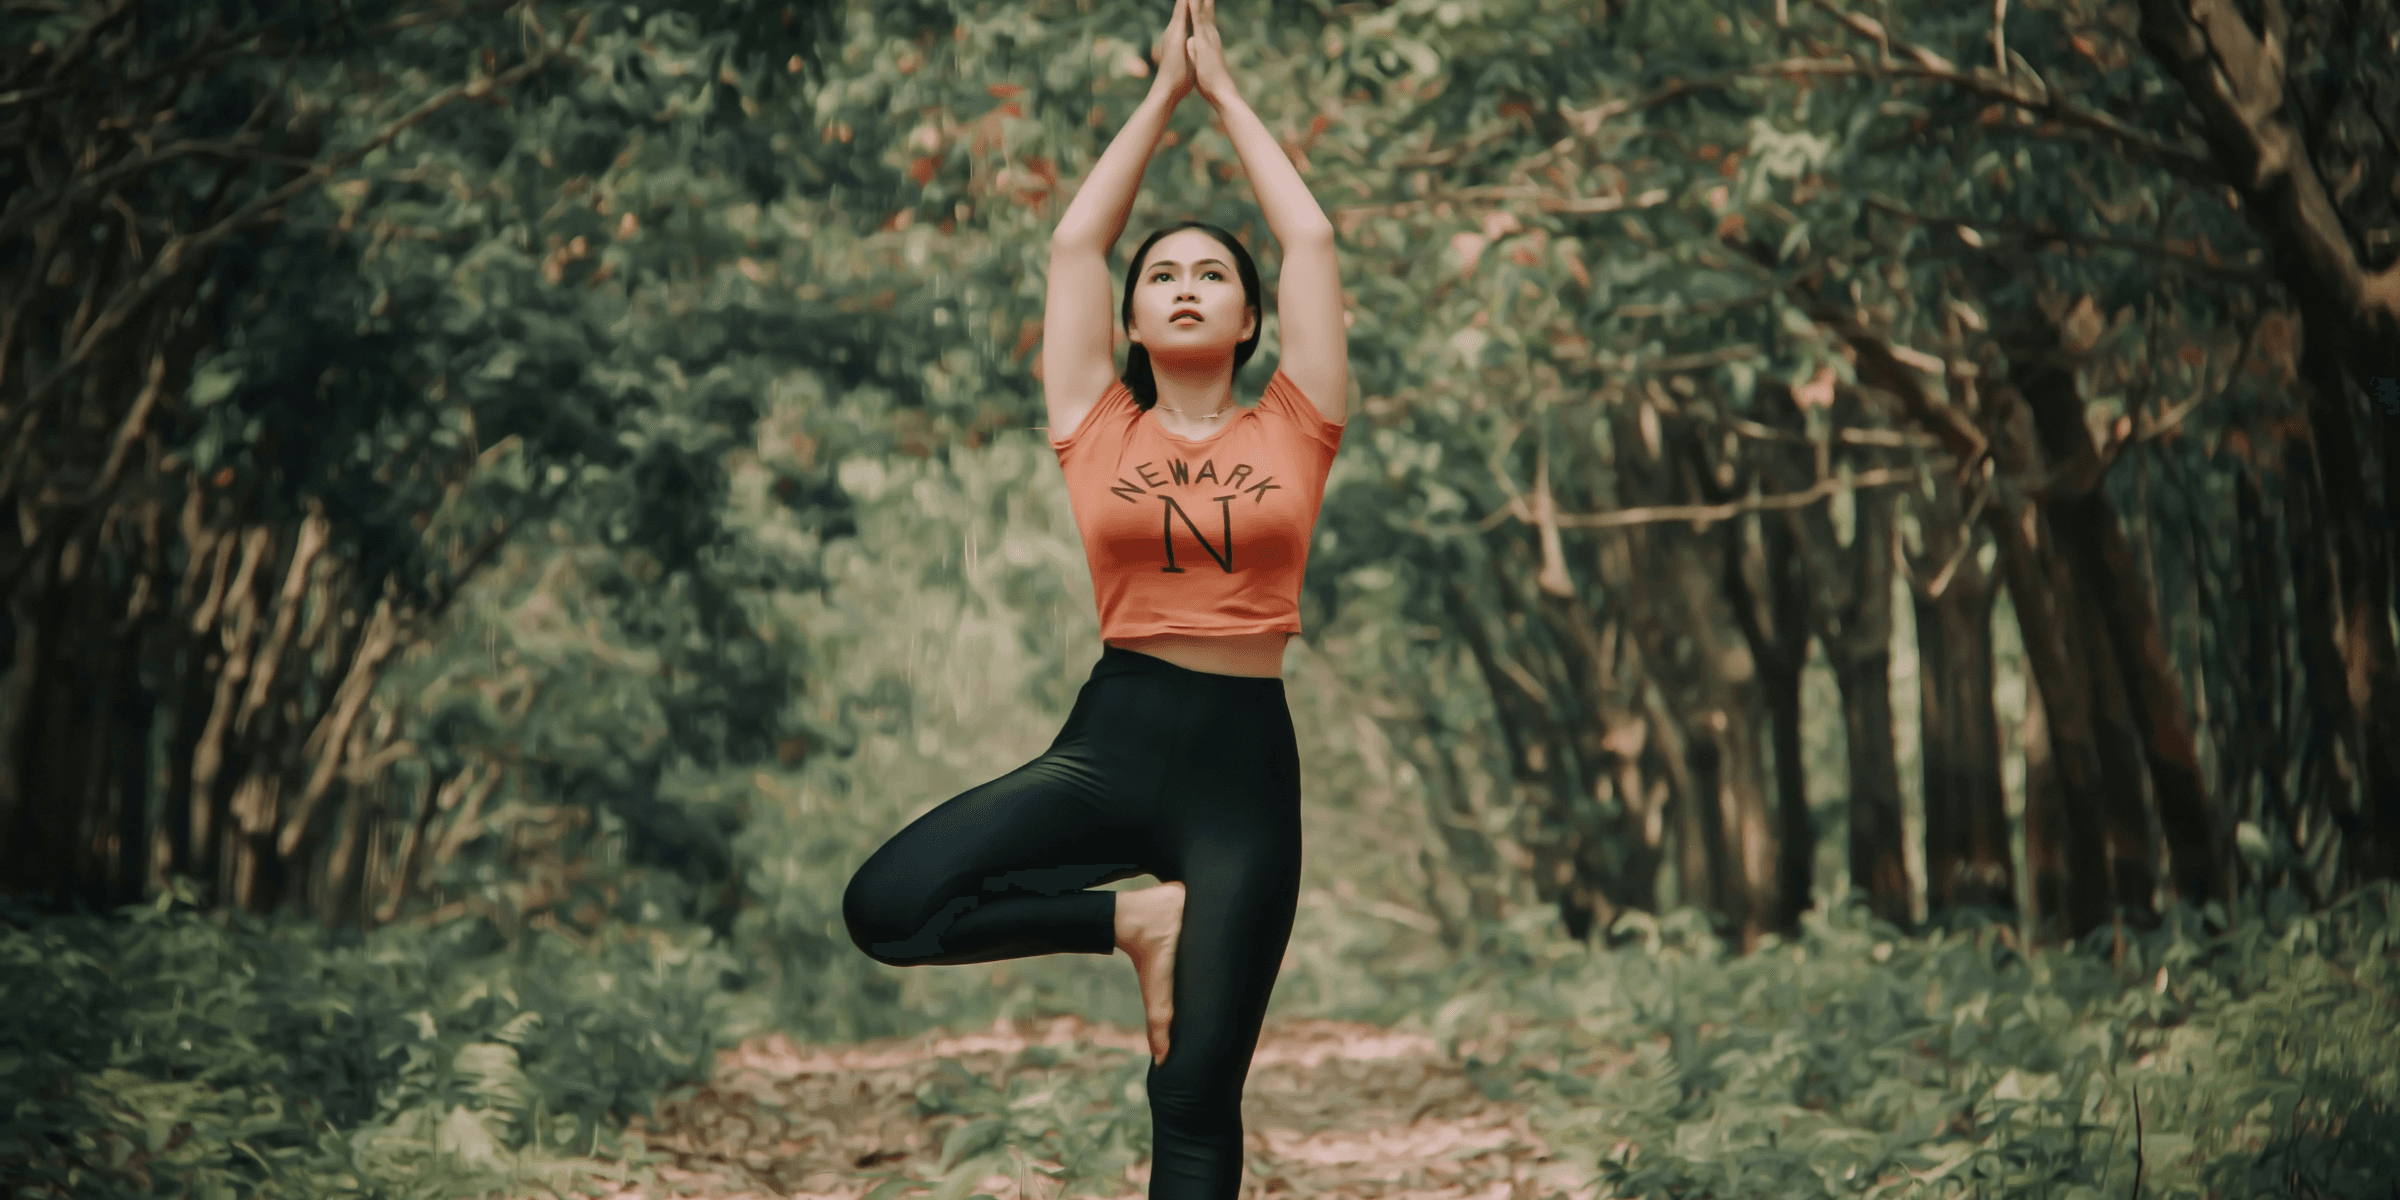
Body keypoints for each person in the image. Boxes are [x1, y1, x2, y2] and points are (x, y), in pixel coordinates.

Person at [841, 0, 1349, 1195]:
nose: (1183, 287)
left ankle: (1164, 943)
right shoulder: (1092, 423)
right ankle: (1135, 922)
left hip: (1243, 777)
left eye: (1211, 275)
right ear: (1128, 318)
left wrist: (1227, 96)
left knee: (1194, 1091)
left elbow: (1314, 241)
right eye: (1160, 275)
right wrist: (1159, 95)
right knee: (892, 906)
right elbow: (1074, 247)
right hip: (1113, 743)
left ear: (1247, 318)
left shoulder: (1298, 423)